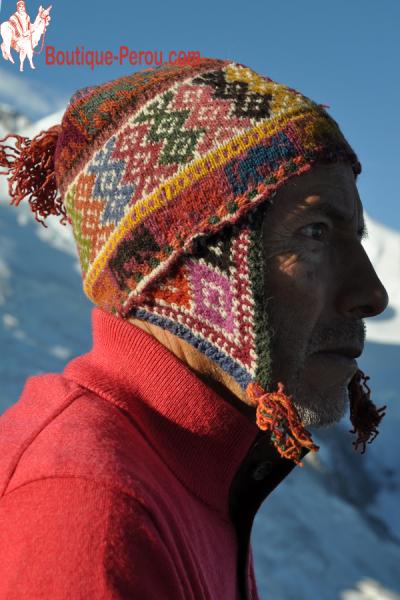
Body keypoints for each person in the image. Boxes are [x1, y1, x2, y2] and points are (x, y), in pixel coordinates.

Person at [0, 57, 388, 599]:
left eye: (357, 239)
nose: (373, 295)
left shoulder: (195, 465)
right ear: (187, 269)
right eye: (316, 232)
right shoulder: (87, 511)